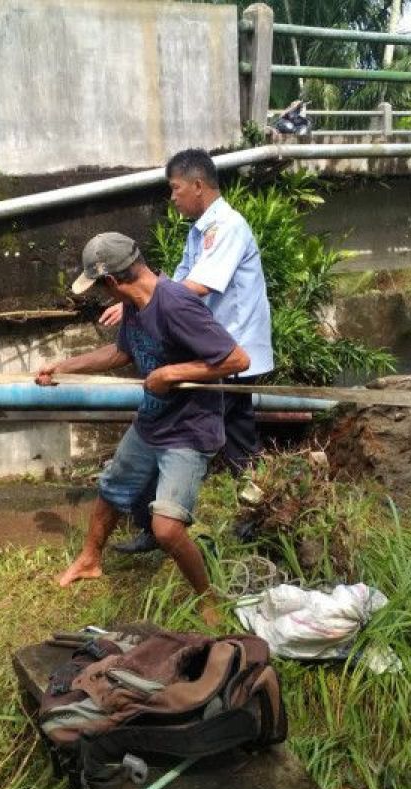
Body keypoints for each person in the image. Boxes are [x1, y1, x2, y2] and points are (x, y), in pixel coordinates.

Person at [37, 232, 250, 627]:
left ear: (112, 281)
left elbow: (236, 358)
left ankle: (208, 600)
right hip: (152, 421)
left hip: (188, 430)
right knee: (112, 489)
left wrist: (170, 372)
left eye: (98, 288)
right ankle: (89, 559)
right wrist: (64, 366)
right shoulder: (133, 305)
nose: (100, 296)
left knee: (167, 530)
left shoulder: (176, 305)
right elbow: (122, 351)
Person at [102, 148, 273, 553]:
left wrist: (134, 296)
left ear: (198, 185)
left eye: (176, 189)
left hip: (228, 355)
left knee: (236, 444)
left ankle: (261, 520)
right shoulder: (200, 230)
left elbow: (198, 285)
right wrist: (137, 297)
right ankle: (156, 525)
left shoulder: (228, 227)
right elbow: (174, 284)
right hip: (203, 353)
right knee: (166, 428)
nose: (173, 198)